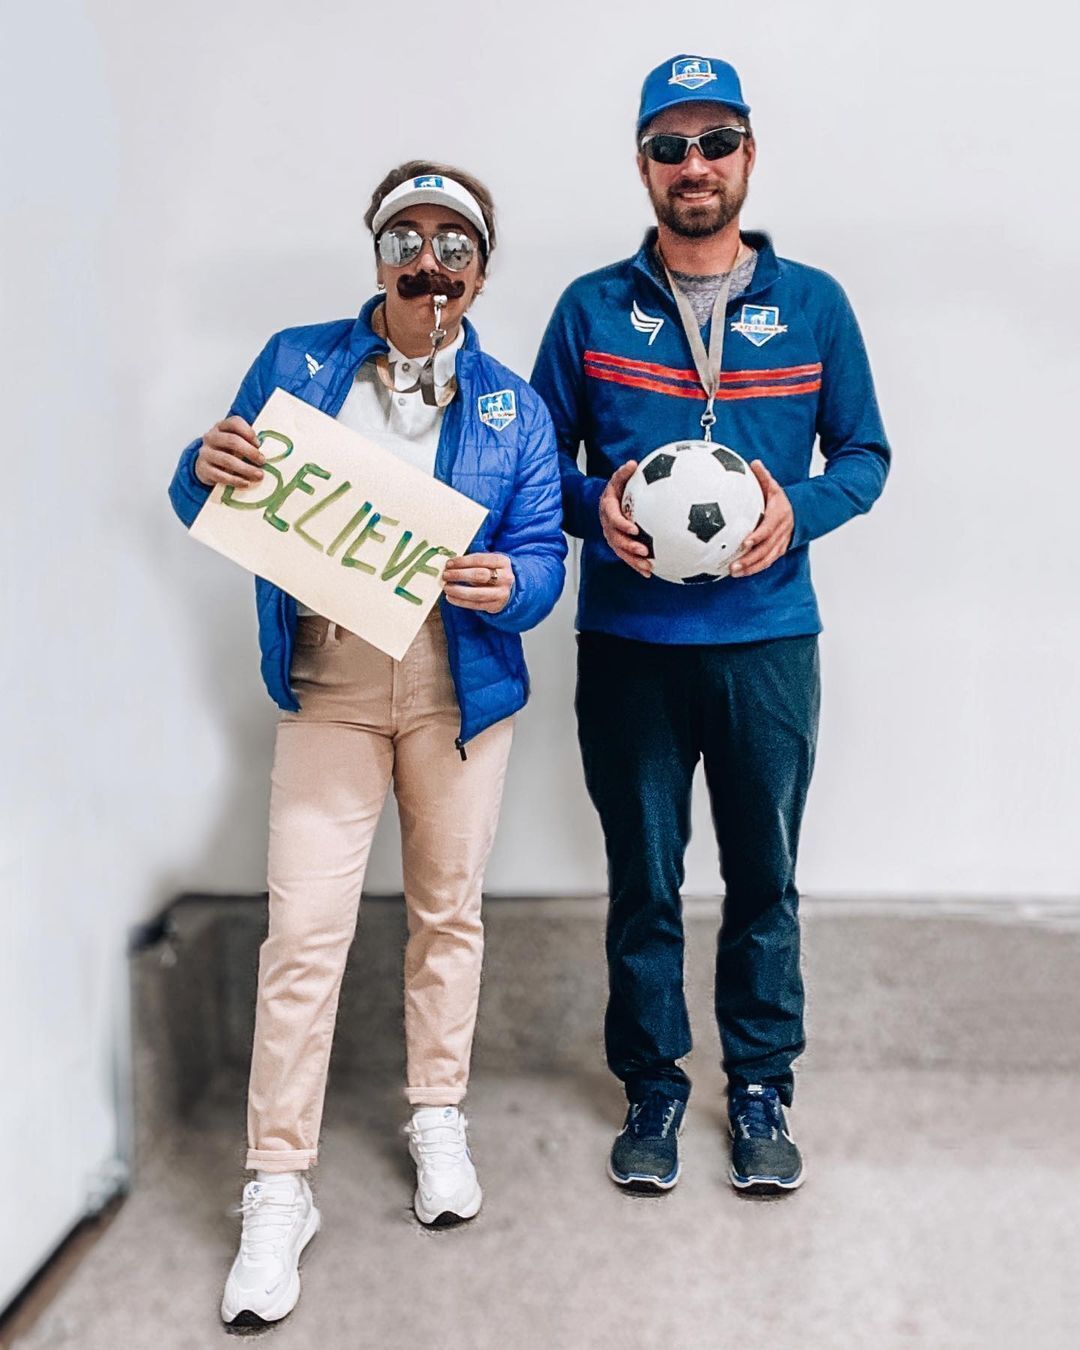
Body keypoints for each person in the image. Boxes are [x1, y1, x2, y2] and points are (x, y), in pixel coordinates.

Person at [168, 162, 566, 1326]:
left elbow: (543, 554)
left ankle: (437, 1112)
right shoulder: (297, 362)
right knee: (304, 933)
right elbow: (209, 498)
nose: (431, 259)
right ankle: (280, 1184)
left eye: (456, 243)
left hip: (459, 690)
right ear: (378, 252)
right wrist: (201, 468)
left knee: (449, 911)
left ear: (482, 270)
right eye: (410, 234)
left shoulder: (514, 407)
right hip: (332, 683)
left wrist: (515, 582)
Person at [531, 55, 890, 1196]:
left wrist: (799, 512)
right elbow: (538, 465)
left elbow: (867, 457)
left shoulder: (818, 304)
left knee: (764, 876)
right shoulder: (590, 307)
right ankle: (651, 1086)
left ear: (748, 153)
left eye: (715, 141)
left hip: (770, 643)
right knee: (643, 877)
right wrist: (599, 512)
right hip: (631, 648)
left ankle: (760, 1084)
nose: (696, 166)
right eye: (671, 147)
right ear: (642, 164)